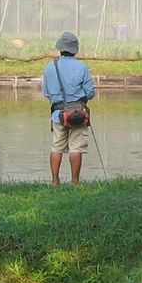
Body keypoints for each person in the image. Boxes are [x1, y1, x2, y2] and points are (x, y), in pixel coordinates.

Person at [42, 30, 96, 184]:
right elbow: (90, 93)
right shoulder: (82, 67)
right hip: (78, 114)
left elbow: (46, 93)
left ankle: (54, 181)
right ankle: (75, 181)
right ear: (75, 49)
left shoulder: (49, 67)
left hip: (58, 115)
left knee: (56, 147)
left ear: (60, 48)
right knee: (76, 148)